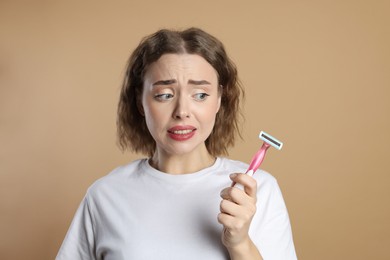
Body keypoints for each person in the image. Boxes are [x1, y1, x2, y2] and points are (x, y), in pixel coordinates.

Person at [56, 27, 297, 260]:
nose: (182, 111)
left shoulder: (259, 191)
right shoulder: (105, 195)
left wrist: (240, 243)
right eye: (164, 95)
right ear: (141, 102)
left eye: (200, 95)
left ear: (219, 100)